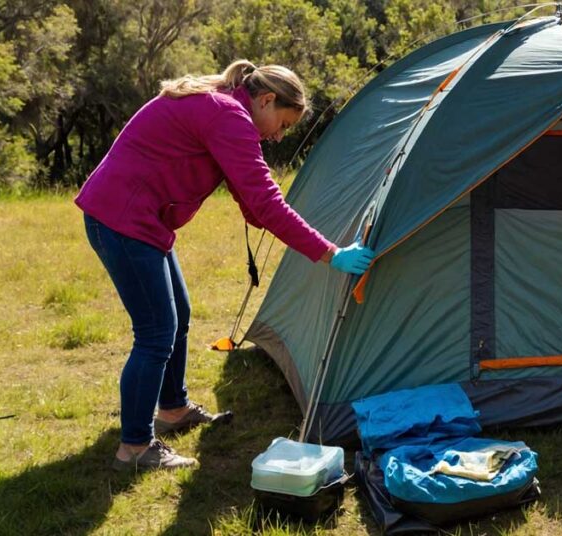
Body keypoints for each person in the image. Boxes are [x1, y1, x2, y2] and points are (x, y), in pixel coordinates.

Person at [74, 60, 374, 471]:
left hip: (140, 219)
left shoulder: (223, 108)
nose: (278, 135)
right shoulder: (229, 116)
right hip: (122, 220)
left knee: (177, 316)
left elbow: (252, 199)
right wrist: (330, 253)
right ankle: (134, 448)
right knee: (155, 333)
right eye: (283, 123)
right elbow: (266, 203)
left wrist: (283, 222)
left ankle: (174, 410)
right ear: (265, 100)